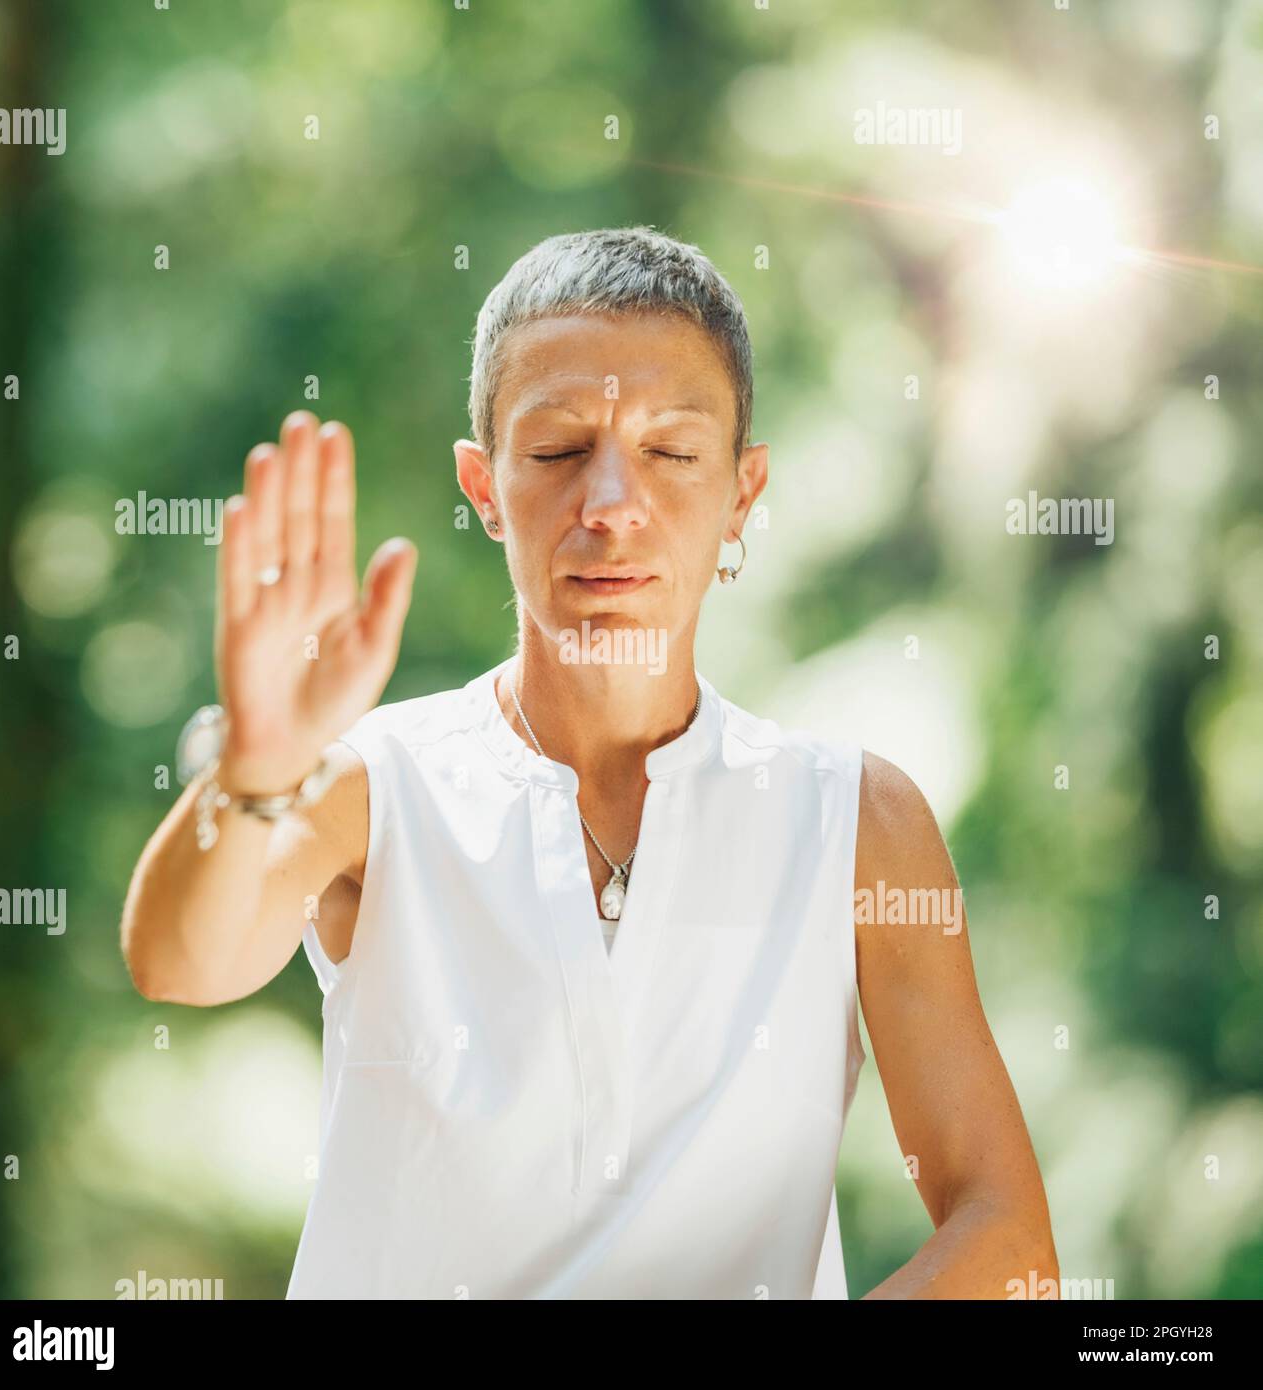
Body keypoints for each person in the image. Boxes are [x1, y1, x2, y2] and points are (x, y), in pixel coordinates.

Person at [120, 226, 1058, 1300]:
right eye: (559, 450)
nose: (610, 505)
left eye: (671, 451)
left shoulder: (855, 820)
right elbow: (179, 963)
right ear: (482, 485)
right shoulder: (371, 786)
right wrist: (255, 768)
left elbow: (1009, 1238)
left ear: (742, 493)